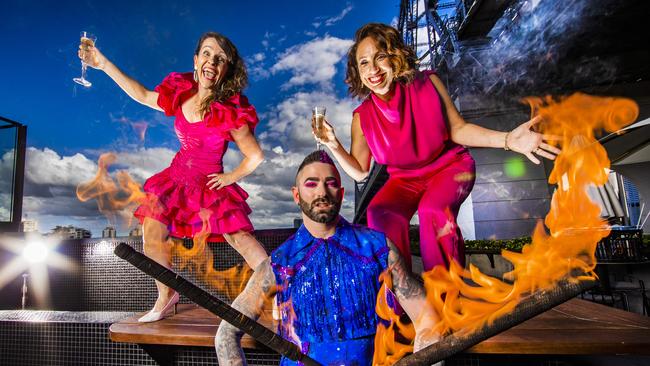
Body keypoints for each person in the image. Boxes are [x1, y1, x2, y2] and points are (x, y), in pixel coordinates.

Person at [315, 23, 560, 272]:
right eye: (364, 62)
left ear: (395, 58)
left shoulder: (428, 82)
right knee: (380, 211)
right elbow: (360, 172)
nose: (373, 69)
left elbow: (458, 129)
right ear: (357, 71)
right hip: (404, 181)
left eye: (380, 57)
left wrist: (508, 139)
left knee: (432, 210)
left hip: (450, 167)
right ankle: (399, 295)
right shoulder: (362, 117)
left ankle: (445, 297)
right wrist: (333, 144)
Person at [78, 32, 268, 322]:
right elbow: (141, 94)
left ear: (226, 69)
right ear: (196, 61)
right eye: (206, 53)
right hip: (176, 179)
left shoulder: (231, 110)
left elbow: (255, 156)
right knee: (152, 234)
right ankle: (166, 296)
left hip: (209, 183)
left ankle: (279, 296)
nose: (211, 62)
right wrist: (102, 63)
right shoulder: (181, 94)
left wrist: (231, 177)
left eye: (220, 59)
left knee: (240, 239)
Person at [215, 150, 438, 365]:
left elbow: (427, 319)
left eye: (330, 183)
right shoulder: (279, 263)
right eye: (311, 184)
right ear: (296, 195)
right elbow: (226, 334)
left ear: (340, 194)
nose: (321, 192)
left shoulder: (378, 248)